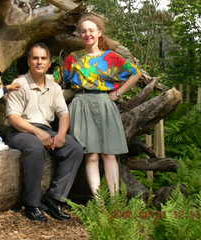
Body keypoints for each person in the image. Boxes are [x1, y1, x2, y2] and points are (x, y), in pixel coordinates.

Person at [54, 15, 142, 197]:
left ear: (99, 32)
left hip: (104, 104)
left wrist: (117, 94)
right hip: (80, 104)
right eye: (83, 31)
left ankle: (114, 199)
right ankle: (99, 203)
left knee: (109, 154)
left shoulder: (110, 57)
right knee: (91, 155)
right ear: (79, 34)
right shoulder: (73, 58)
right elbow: (57, 79)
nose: (87, 34)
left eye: (91, 30)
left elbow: (135, 73)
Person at [5, 43, 84, 222]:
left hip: (47, 129)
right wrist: (38, 133)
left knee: (75, 148)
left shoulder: (54, 87)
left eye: (43, 58)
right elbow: (13, 118)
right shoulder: (20, 84)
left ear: (49, 63)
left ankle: (55, 199)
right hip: (21, 130)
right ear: (29, 61)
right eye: (35, 58)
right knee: (34, 147)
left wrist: (62, 134)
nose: (39, 62)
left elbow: (63, 114)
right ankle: (32, 204)